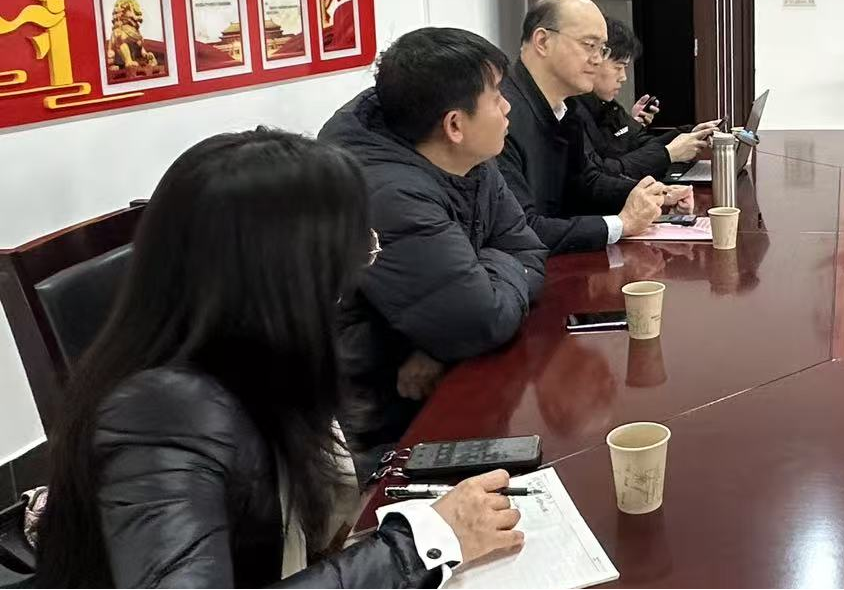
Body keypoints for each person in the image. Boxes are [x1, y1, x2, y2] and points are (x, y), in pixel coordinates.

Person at [34, 129, 523, 587]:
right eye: (348, 258)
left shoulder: (252, 358)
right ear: (282, 279)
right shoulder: (162, 412)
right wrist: (416, 548)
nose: (348, 288)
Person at [320, 27, 547, 453]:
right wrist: (457, 323)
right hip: (384, 420)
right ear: (454, 124)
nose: (507, 106)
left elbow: (528, 248)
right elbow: (479, 319)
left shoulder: (468, 157)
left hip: (446, 375)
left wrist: (442, 342)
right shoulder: (388, 192)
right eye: (496, 96)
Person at [499, 0, 690, 255]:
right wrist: (621, 224)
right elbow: (520, 229)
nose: (598, 59)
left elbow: (584, 182)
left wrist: (651, 195)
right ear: (542, 41)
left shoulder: (567, 106)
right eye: (589, 45)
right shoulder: (500, 114)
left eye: (602, 49)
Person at [574, 18, 719, 182]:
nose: (623, 77)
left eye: (625, 68)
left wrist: (687, 134)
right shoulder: (571, 112)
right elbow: (600, 176)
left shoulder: (607, 106)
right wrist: (669, 153)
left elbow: (639, 143)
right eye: (618, 67)